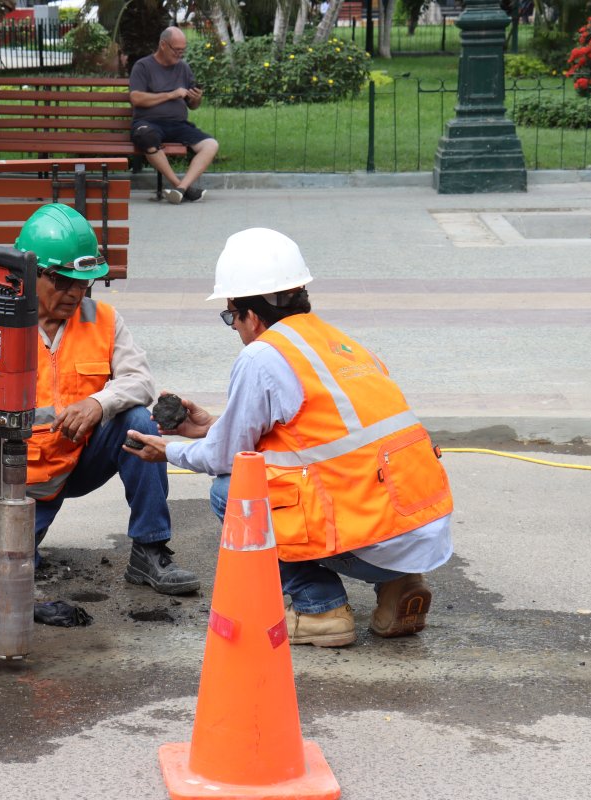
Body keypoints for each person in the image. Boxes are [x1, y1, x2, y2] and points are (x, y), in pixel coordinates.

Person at [125, 228, 454, 646]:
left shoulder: (262, 354)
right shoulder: (339, 342)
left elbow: (228, 459)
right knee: (302, 480)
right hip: (420, 528)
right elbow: (312, 435)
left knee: (231, 493)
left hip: (372, 536)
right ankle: (399, 587)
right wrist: (210, 427)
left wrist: (171, 450)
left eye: (231, 318)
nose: (235, 330)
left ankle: (319, 609)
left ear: (251, 314)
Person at [16, 203, 200, 596]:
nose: (75, 292)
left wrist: (100, 403)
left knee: (138, 422)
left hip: (79, 458)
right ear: (30, 273)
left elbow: (140, 380)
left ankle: (150, 549)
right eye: (63, 281)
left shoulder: (102, 319)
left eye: (83, 282)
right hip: (18, 479)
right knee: (6, 575)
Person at [128, 26, 219, 205]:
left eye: (182, 51)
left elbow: (192, 106)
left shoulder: (183, 68)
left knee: (210, 144)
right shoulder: (143, 66)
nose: (180, 55)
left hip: (177, 124)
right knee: (145, 136)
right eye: (177, 50)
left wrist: (196, 99)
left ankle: (181, 189)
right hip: (148, 123)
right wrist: (170, 94)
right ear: (163, 45)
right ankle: (181, 187)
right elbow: (136, 98)